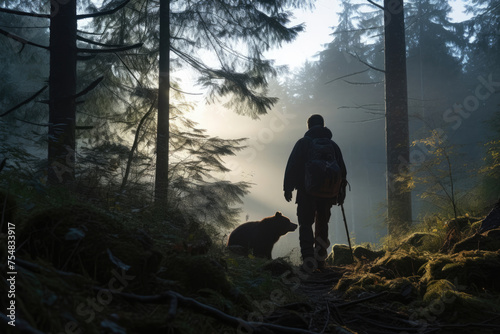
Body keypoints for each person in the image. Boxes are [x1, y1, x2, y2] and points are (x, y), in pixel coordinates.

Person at [283, 114, 347, 271]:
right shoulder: (333, 145)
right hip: (328, 193)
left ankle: (308, 260)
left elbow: (292, 165)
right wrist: (341, 193)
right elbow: (342, 171)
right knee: (322, 224)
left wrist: (288, 188)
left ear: (309, 126)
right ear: (323, 125)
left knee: (305, 224)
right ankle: (320, 261)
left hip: (306, 192)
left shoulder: (303, 143)